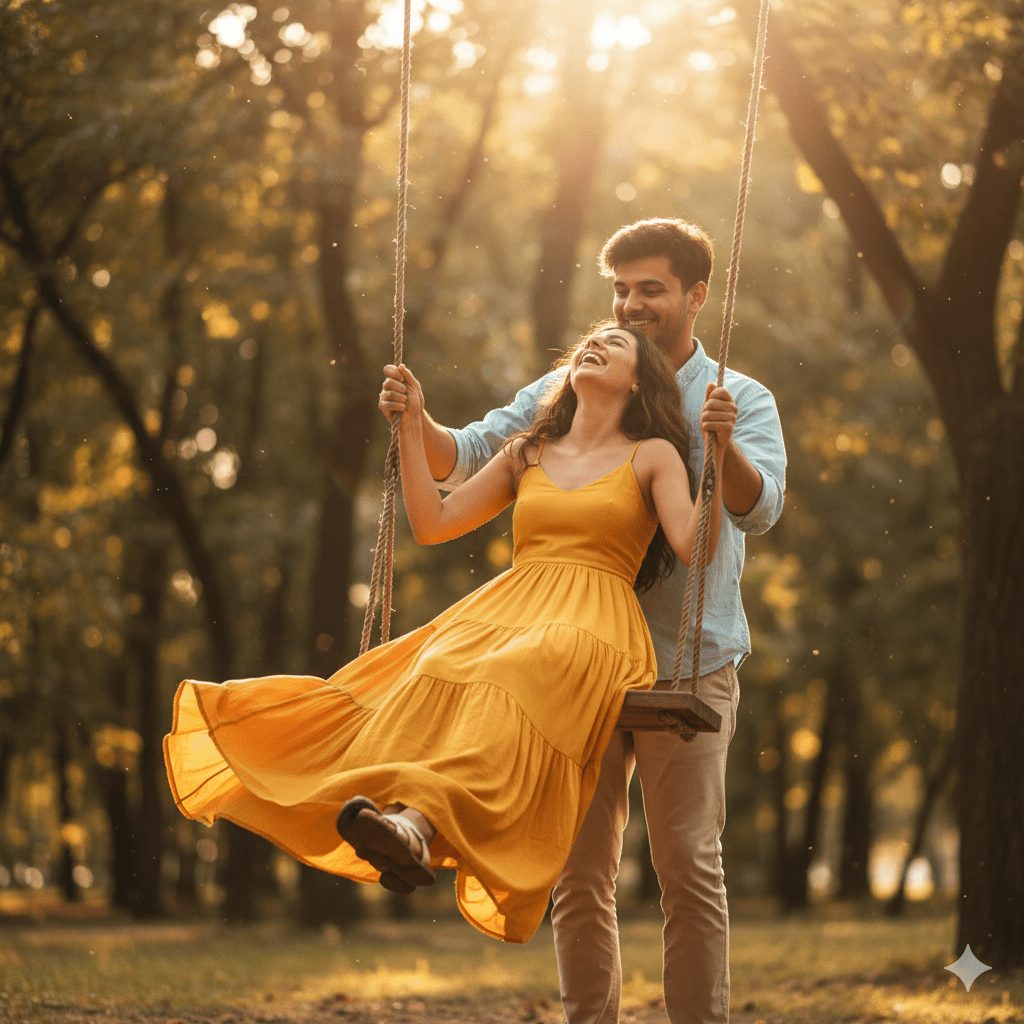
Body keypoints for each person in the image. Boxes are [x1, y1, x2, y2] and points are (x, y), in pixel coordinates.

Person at [163, 318, 730, 944]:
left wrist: (718, 456)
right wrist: (412, 424)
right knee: (435, 665)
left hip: (594, 619)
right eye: (591, 340)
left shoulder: (652, 455)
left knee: (509, 669)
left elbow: (692, 547)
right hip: (511, 606)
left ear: (638, 381)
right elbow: (433, 522)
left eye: (615, 345)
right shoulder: (528, 451)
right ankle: (409, 829)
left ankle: (417, 827)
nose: (597, 344)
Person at [379, 218, 786, 1022]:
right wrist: (411, 416)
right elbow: (459, 455)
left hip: (685, 661)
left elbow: (758, 508)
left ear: (696, 295)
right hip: (561, 663)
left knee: (687, 866)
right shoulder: (560, 394)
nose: (631, 306)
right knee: (578, 871)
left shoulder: (737, 398)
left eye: (651, 290)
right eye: (620, 291)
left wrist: (721, 444)